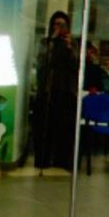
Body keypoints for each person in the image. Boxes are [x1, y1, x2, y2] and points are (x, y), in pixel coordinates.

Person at [33, 11, 78, 171]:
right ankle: (43, 159)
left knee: (64, 127)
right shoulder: (46, 42)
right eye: (55, 24)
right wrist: (51, 42)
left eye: (62, 24)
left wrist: (70, 47)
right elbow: (41, 61)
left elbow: (76, 65)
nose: (58, 27)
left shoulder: (72, 43)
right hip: (48, 89)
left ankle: (62, 159)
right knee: (45, 125)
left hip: (66, 89)